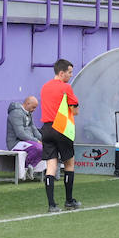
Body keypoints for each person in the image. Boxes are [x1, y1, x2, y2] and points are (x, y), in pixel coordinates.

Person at [39, 59, 81, 213]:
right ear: (61, 73)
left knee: (51, 166)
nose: (71, 75)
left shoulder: (44, 87)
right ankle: (69, 200)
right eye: (69, 72)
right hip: (62, 128)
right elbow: (74, 110)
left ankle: (51, 204)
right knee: (69, 164)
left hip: (47, 128)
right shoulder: (66, 87)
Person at [6, 96, 44, 181]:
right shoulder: (15, 113)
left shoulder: (29, 113)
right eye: (33, 107)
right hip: (15, 143)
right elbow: (20, 134)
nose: (34, 109)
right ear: (27, 104)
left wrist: (43, 140)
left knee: (45, 146)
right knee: (38, 147)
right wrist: (36, 141)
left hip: (27, 142)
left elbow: (34, 129)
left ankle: (29, 167)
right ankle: (26, 168)